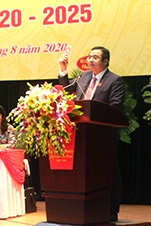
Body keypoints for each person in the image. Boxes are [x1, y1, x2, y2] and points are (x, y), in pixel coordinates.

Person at [58, 46, 125, 221]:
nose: (90, 60)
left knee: (108, 172)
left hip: (103, 136)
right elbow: (68, 92)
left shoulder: (115, 81)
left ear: (105, 61)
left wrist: (92, 111)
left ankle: (110, 210)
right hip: (81, 134)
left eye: (95, 57)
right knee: (84, 173)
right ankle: (85, 209)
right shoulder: (84, 76)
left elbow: (115, 107)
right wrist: (63, 70)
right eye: (89, 57)